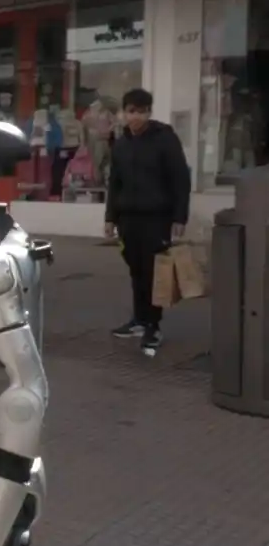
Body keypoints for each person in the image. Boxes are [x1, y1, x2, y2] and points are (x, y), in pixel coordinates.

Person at [104, 88, 191, 352]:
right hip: (129, 219)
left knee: (155, 273)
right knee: (136, 271)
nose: (136, 118)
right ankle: (139, 320)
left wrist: (179, 216)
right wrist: (111, 218)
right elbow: (115, 183)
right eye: (131, 112)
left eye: (142, 112)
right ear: (124, 113)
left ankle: (153, 326)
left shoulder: (164, 138)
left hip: (157, 218)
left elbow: (180, 179)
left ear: (149, 112)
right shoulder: (121, 143)